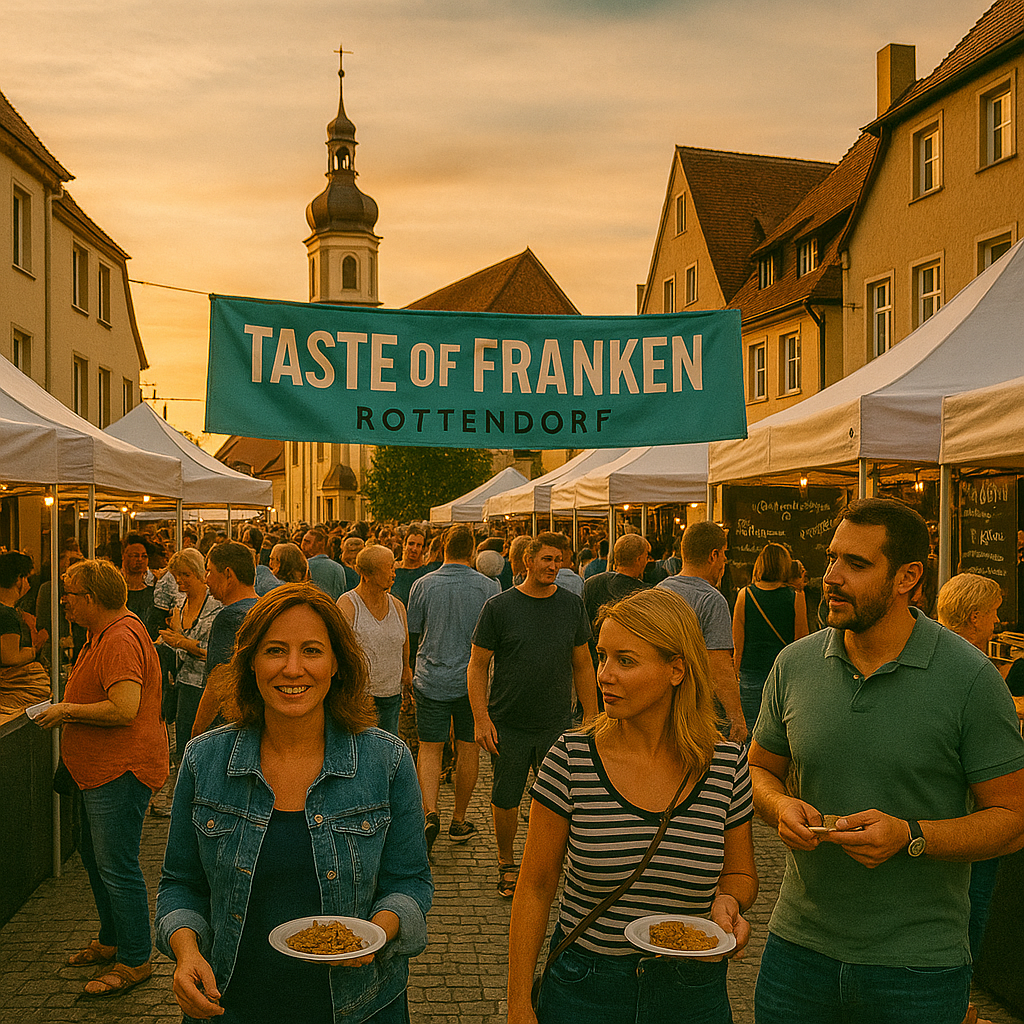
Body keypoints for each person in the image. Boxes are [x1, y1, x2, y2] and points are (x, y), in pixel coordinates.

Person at [748, 498, 1024, 1024]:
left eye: (856, 564)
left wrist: (912, 836)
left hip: (916, 968)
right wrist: (780, 805)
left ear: (908, 577)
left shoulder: (971, 678)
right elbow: (759, 769)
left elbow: (1013, 819)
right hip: (797, 951)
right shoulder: (795, 663)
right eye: (831, 559)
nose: (831, 577)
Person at [155, 584, 433, 1023]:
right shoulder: (204, 759)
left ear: (337, 663)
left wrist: (377, 931)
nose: (292, 668)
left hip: (359, 1006)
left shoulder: (387, 761)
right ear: (249, 662)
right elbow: (180, 884)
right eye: (275, 651)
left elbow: (410, 881)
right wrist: (186, 952)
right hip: (229, 1001)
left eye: (312, 651)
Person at [507, 588, 757, 1024]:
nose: (603, 674)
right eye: (601, 656)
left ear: (676, 669)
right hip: (586, 987)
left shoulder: (726, 765)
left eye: (625, 660)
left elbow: (740, 872)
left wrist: (729, 902)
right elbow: (535, 886)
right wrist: (518, 1003)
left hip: (691, 990)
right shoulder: (571, 757)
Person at [36, 558, 169, 996]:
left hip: (119, 770)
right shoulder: (105, 633)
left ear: (91, 598)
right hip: (100, 771)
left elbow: (124, 707)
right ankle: (113, 939)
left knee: (118, 866)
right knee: (97, 859)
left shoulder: (119, 639)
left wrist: (67, 710)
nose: (64, 602)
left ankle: (135, 959)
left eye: (70, 594)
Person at [468, 531, 598, 898]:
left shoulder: (572, 605)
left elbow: (583, 663)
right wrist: (481, 717)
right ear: (528, 560)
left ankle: (553, 865)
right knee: (505, 796)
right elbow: (477, 666)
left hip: (556, 722)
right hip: (507, 720)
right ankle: (507, 863)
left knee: (561, 799)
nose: (554, 566)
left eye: (559, 560)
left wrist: (591, 715)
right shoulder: (500, 607)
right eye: (547, 559)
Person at [407, 524, 500, 853]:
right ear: (472, 549)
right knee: (468, 749)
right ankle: (459, 819)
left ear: (442, 547)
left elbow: (414, 634)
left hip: (431, 676)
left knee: (429, 749)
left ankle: (429, 812)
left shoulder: (421, 585)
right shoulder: (489, 587)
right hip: (470, 681)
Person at [657, 521, 747, 743]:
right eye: (724, 554)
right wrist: (736, 718)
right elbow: (718, 664)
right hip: (696, 714)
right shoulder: (711, 600)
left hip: (660, 707)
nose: (725, 561)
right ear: (713, 555)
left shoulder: (659, 591)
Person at [731, 542, 808, 734]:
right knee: (780, 734)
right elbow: (801, 642)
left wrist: (735, 676)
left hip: (750, 674)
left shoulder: (744, 595)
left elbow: (737, 644)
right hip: (783, 677)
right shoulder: (796, 597)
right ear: (785, 566)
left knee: (751, 730)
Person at [337, 544, 412, 737]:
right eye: (388, 568)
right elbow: (340, 647)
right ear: (367, 574)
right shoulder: (348, 604)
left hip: (391, 694)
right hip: (360, 696)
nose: (393, 573)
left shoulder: (397, 605)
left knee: (389, 746)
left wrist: (406, 670)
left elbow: (404, 641)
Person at [157, 548, 223, 761]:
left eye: (186, 575)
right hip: (183, 684)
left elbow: (210, 651)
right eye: (177, 575)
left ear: (200, 574)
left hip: (206, 686)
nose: (180, 580)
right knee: (185, 746)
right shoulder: (180, 604)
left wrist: (180, 641)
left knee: (207, 746)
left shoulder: (216, 606)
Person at [190, 542, 259, 737]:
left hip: (227, 725)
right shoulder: (263, 608)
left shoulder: (229, 617)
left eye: (209, 571)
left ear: (228, 574)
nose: (206, 580)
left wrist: (197, 731)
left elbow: (218, 680)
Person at [0, 551, 50, 721]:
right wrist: (34, 650)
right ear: (18, 579)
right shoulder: (7, 614)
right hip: (13, 695)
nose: (28, 583)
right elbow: (10, 656)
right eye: (27, 578)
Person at [301, 527, 349, 601]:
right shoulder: (338, 567)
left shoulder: (304, 566)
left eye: (307, 542)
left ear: (319, 544)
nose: (303, 544)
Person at [391, 525, 429, 606]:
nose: (414, 549)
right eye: (411, 544)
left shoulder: (426, 573)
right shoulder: (393, 570)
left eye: (418, 545)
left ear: (423, 549)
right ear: (404, 545)